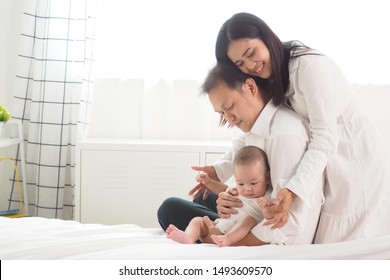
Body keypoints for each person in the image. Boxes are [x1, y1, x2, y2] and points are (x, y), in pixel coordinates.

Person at [214, 12, 390, 243]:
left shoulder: (310, 67)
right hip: (325, 164)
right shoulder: (268, 76)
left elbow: (325, 137)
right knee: (325, 245)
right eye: (240, 64)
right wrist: (220, 169)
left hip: (356, 161)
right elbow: (253, 128)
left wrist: (292, 190)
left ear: (267, 38)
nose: (250, 65)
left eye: (251, 53)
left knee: (351, 245)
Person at [159, 62, 323, 246]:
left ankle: (203, 234)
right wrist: (225, 197)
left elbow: (284, 224)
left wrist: (218, 240)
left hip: (252, 223)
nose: (228, 118)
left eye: (229, 107)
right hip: (244, 209)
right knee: (200, 197)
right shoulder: (254, 127)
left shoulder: (283, 134)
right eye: (222, 113)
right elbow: (239, 164)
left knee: (169, 209)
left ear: (251, 87)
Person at [166, 145, 275, 246]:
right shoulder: (237, 190)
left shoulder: (268, 196)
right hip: (217, 228)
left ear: (268, 177)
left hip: (234, 236)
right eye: (241, 183)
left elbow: (270, 217)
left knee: (249, 220)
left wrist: (266, 208)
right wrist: (208, 182)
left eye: (253, 183)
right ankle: (189, 237)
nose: (247, 189)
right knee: (198, 221)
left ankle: (227, 239)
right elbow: (223, 189)